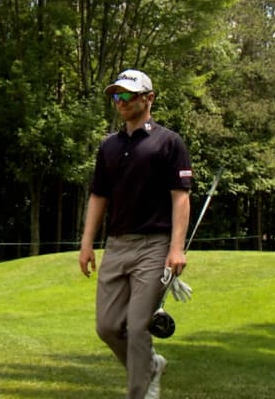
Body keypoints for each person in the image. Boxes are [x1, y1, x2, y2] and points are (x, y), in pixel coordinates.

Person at [78, 69, 193, 399]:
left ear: (149, 98)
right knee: (108, 327)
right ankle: (151, 366)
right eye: (117, 96)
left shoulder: (169, 142)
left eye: (128, 95)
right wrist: (87, 244)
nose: (121, 102)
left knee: (137, 324)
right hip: (116, 245)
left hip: (155, 246)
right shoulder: (109, 147)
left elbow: (180, 196)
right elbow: (99, 196)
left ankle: (139, 392)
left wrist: (177, 249)